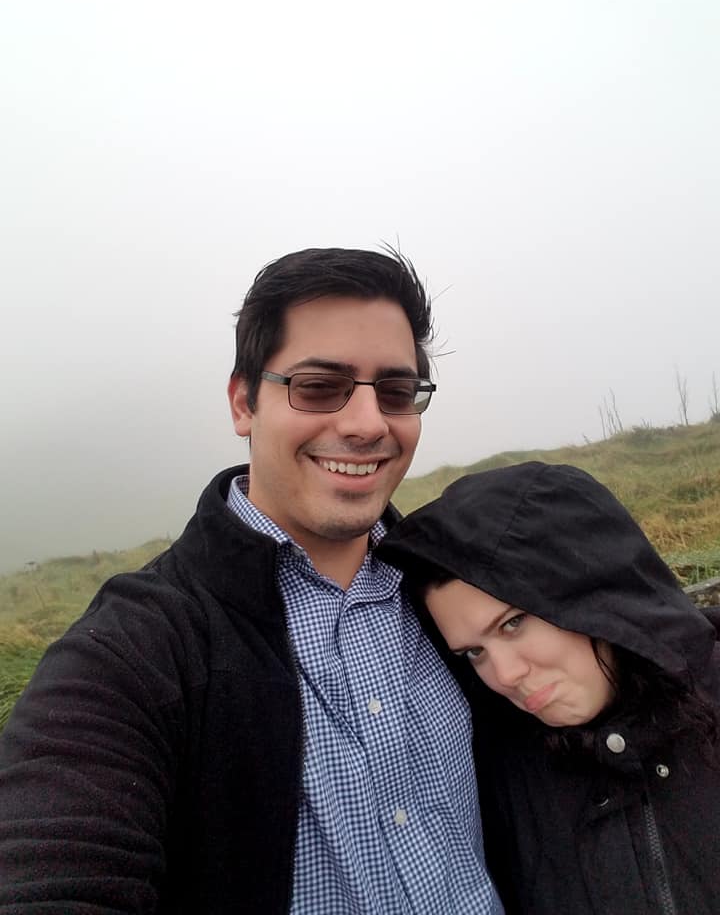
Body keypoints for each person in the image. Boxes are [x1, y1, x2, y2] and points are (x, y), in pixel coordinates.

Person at [0, 248, 503, 914]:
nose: (367, 424)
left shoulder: (461, 588)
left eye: (396, 391)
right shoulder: (138, 648)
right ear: (244, 402)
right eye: (318, 386)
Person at [377, 461, 720, 915]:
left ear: (597, 590)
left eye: (513, 623)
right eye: (473, 653)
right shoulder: (500, 777)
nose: (504, 675)